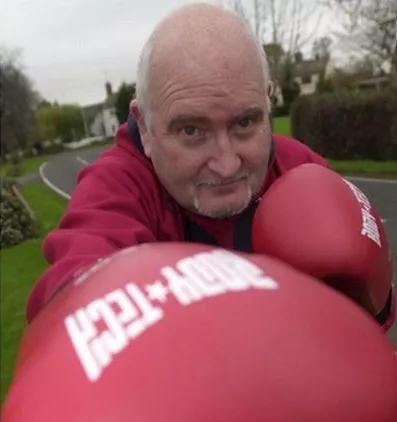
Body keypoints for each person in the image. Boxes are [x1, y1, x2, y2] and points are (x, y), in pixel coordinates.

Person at [25, 2, 392, 326]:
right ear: (146, 126)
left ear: (267, 103)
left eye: (245, 123)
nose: (226, 163)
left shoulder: (301, 169)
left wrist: (365, 296)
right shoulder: (118, 187)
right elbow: (72, 304)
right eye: (191, 130)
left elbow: (375, 322)